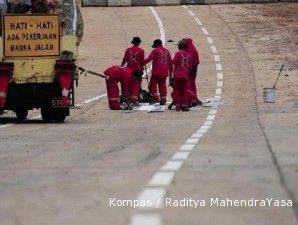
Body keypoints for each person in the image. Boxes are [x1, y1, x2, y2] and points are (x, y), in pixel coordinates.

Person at [145, 39, 172, 105]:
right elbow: (170, 63)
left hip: (156, 72)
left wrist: (141, 62)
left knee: (152, 84)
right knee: (162, 86)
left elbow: (149, 59)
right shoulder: (167, 51)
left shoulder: (156, 50)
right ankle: (163, 99)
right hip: (165, 72)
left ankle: (155, 98)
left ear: (157, 44)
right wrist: (170, 74)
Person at [121, 37, 145, 105]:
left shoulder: (128, 50)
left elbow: (124, 59)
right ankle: (134, 99)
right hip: (137, 71)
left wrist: (121, 66)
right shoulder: (141, 50)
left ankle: (128, 98)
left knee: (129, 84)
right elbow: (142, 62)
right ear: (139, 43)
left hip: (128, 71)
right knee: (137, 85)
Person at [171, 40, 193, 111]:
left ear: (180, 46)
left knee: (176, 90)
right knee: (184, 91)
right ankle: (185, 105)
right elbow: (191, 66)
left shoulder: (178, 53)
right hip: (185, 76)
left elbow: (173, 62)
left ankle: (178, 105)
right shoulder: (189, 55)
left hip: (177, 75)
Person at [183, 37, 202, 107]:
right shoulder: (193, 49)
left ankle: (192, 99)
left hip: (190, 70)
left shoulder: (189, 50)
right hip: (194, 69)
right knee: (192, 85)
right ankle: (194, 99)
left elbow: (188, 61)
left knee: (188, 85)